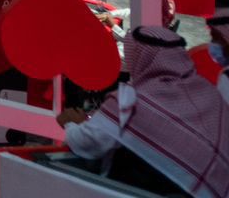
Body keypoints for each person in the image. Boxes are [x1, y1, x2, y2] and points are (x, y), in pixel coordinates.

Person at [57, 27, 229, 198]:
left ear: (138, 58)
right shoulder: (208, 91)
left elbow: (87, 144)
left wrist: (71, 124)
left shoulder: (130, 100)